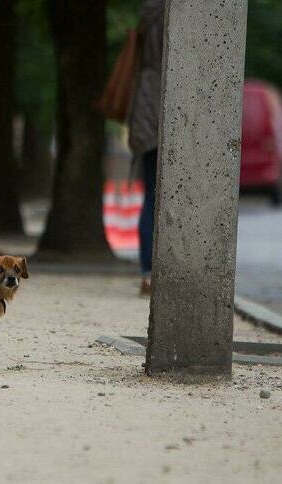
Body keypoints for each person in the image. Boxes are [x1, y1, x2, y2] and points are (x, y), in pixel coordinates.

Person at [128, 0, 165, 296]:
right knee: (162, 196)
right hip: (167, 107)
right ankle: (160, 272)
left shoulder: (148, 14)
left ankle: (148, 273)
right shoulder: (180, 14)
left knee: (151, 195)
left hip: (145, 109)